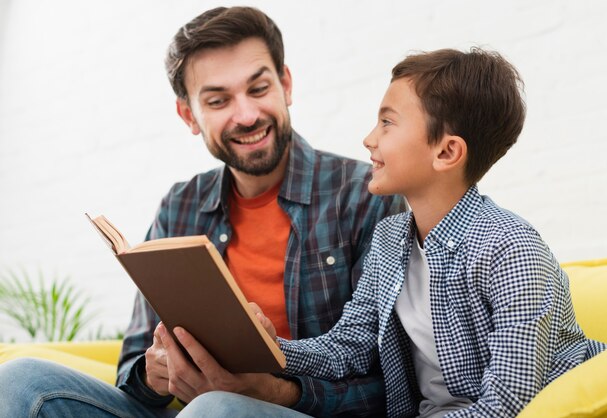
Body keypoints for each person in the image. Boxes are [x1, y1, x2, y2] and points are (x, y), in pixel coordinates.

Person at [0, 6, 405, 418]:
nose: (246, 115)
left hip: (293, 412)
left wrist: (277, 393)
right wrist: (155, 374)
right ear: (189, 115)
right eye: (218, 100)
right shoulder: (180, 207)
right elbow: (133, 370)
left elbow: (393, 383)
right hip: (190, 412)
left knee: (215, 409)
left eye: (259, 89)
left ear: (285, 85)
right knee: (19, 381)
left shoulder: (365, 194)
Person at [257, 48, 607, 417]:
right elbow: (349, 346)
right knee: (219, 406)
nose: (369, 139)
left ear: (446, 152)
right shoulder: (390, 241)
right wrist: (269, 347)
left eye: (387, 123)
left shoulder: (511, 249)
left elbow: (506, 407)